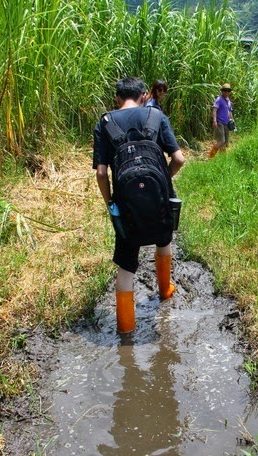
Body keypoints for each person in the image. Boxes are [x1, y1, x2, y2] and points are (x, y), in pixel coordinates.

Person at [93, 77, 185, 333]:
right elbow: (178, 159)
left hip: (126, 201)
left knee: (126, 265)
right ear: (144, 95)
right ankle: (165, 290)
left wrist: (111, 203)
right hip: (158, 196)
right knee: (163, 241)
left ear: (117, 98)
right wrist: (164, 180)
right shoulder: (155, 116)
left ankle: (125, 329)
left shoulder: (105, 123)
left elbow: (101, 174)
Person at [209, 83, 234, 158]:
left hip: (226, 124)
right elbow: (214, 110)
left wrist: (232, 121)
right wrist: (214, 121)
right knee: (221, 141)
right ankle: (211, 156)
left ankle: (222, 159)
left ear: (230, 92)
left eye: (228, 91)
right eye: (225, 90)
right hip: (220, 123)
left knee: (225, 142)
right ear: (222, 91)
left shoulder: (228, 101)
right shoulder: (219, 99)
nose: (226, 92)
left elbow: (229, 112)